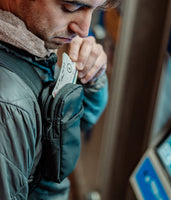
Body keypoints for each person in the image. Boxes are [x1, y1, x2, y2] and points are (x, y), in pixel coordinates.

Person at [0, 0, 119, 199]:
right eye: (70, 7)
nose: (83, 30)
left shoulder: (29, 48)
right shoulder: (9, 106)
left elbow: (56, 135)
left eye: (94, 9)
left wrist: (90, 80)